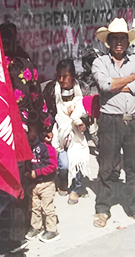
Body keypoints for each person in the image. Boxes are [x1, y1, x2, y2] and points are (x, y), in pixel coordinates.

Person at [91, 18, 135, 228]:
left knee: (134, 167)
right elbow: (105, 84)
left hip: (134, 121)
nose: (119, 42)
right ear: (108, 41)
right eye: (115, 39)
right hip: (110, 120)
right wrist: (131, 79)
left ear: (127, 42)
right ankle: (102, 209)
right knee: (107, 166)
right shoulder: (100, 62)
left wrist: (121, 84)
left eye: (122, 39)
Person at [43, 59, 91, 205]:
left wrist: (85, 124)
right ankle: (63, 180)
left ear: (73, 76)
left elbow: (88, 111)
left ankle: (75, 188)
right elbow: (47, 111)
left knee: (76, 160)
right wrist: (47, 128)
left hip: (77, 132)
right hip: (60, 132)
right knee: (63, 164)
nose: (62, 80)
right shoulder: (52, 89)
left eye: (65, 76)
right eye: (59, 76)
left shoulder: (82, 88)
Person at [25, 123, 60, 243]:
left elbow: (52, 165)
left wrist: (38, 173)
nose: (27, 133)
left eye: (30, 131)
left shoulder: (46, 147)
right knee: (34, 207)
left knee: (47, 208)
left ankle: (52, 230)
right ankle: (36, 227)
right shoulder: (27, 146)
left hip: (47, 183)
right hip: (33, 184)